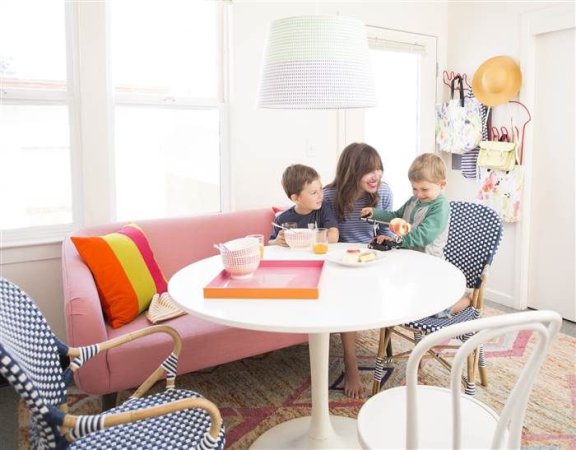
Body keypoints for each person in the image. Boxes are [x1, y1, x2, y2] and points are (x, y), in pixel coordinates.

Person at [360, 152, 471, 318]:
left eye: (424, 189)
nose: (419, 194)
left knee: (434, 310)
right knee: (417, 303)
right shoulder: (414, 200)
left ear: (442, 185)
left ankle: (465, 301)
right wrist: (374, 214)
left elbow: (424, 235)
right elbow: (395, 217)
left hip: (430, 263)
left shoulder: (440, 206)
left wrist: (397, 241)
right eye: (415, 188)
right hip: (412, 259)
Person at [323, 142, 393, 399]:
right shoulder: (329, 196)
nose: (376, 176)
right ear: (351, 172)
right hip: (338, 260)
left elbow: (384, 231)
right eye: (369, 171)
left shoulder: (383, 192)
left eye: (379, 169)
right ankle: (350, 363)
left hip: (368, 256)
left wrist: (390, 236)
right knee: (347, 302)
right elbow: (328, 237)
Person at [269, 164, 339, 246]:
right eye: (314, 193)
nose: (321, 195)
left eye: (321, 189)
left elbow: (334, 237)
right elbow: (270, 243)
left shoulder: (324, 208)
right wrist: (276, 242)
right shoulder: (282, 219)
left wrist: (304, 236)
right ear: (296, 198)